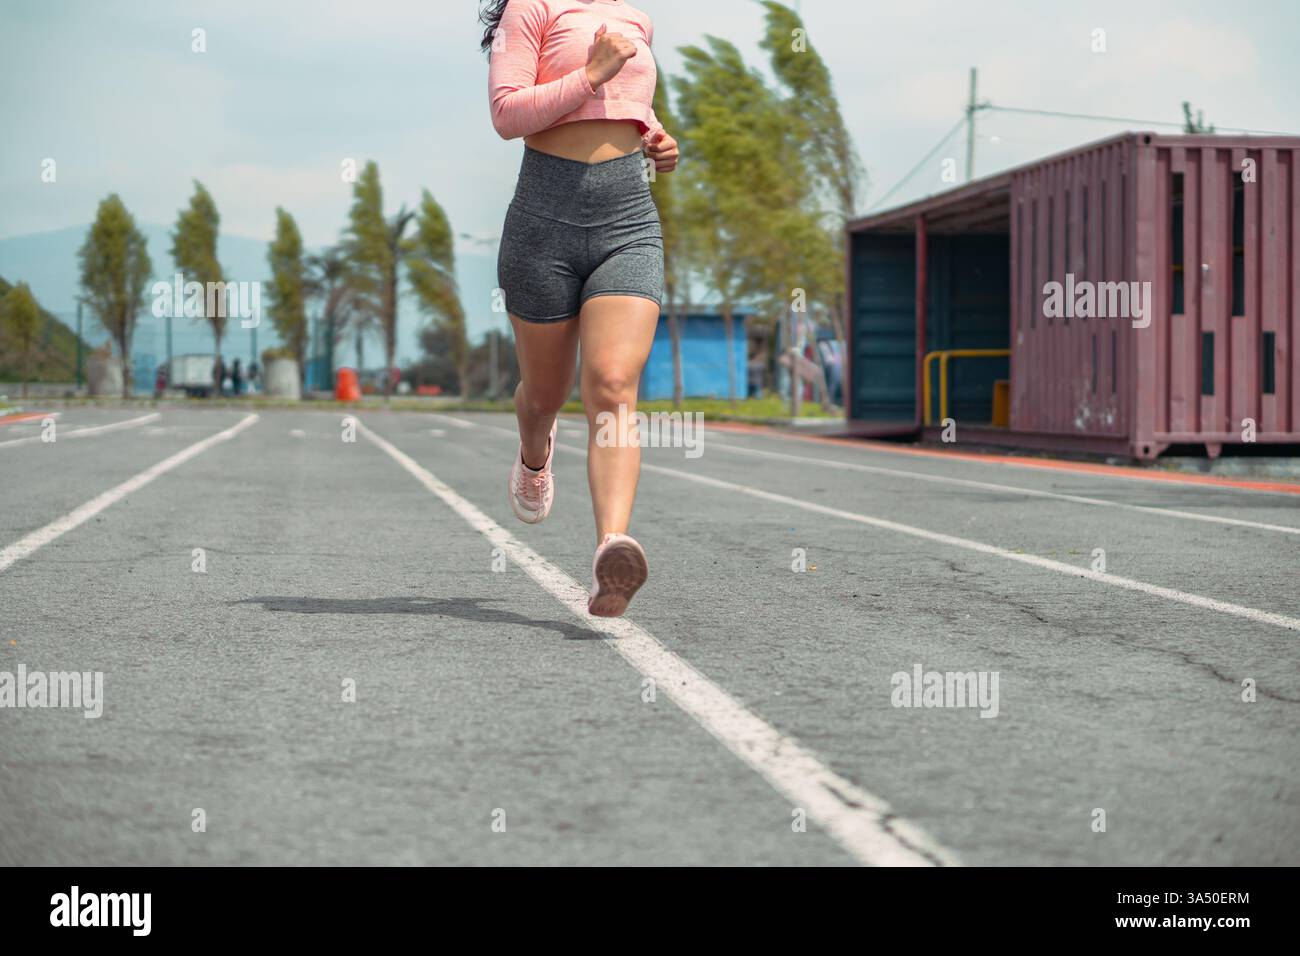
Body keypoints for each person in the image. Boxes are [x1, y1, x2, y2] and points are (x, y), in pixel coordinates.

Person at [482, 0, 679, 618]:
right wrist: (590, 75)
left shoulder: (636, 17)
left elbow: (631, 107)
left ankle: (609, 551)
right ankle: (534, 455)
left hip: (628, 218)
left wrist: (657, 137)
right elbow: (507, 115)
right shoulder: (531, 10)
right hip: (543, 221)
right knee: (545, 392)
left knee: (614, 383)